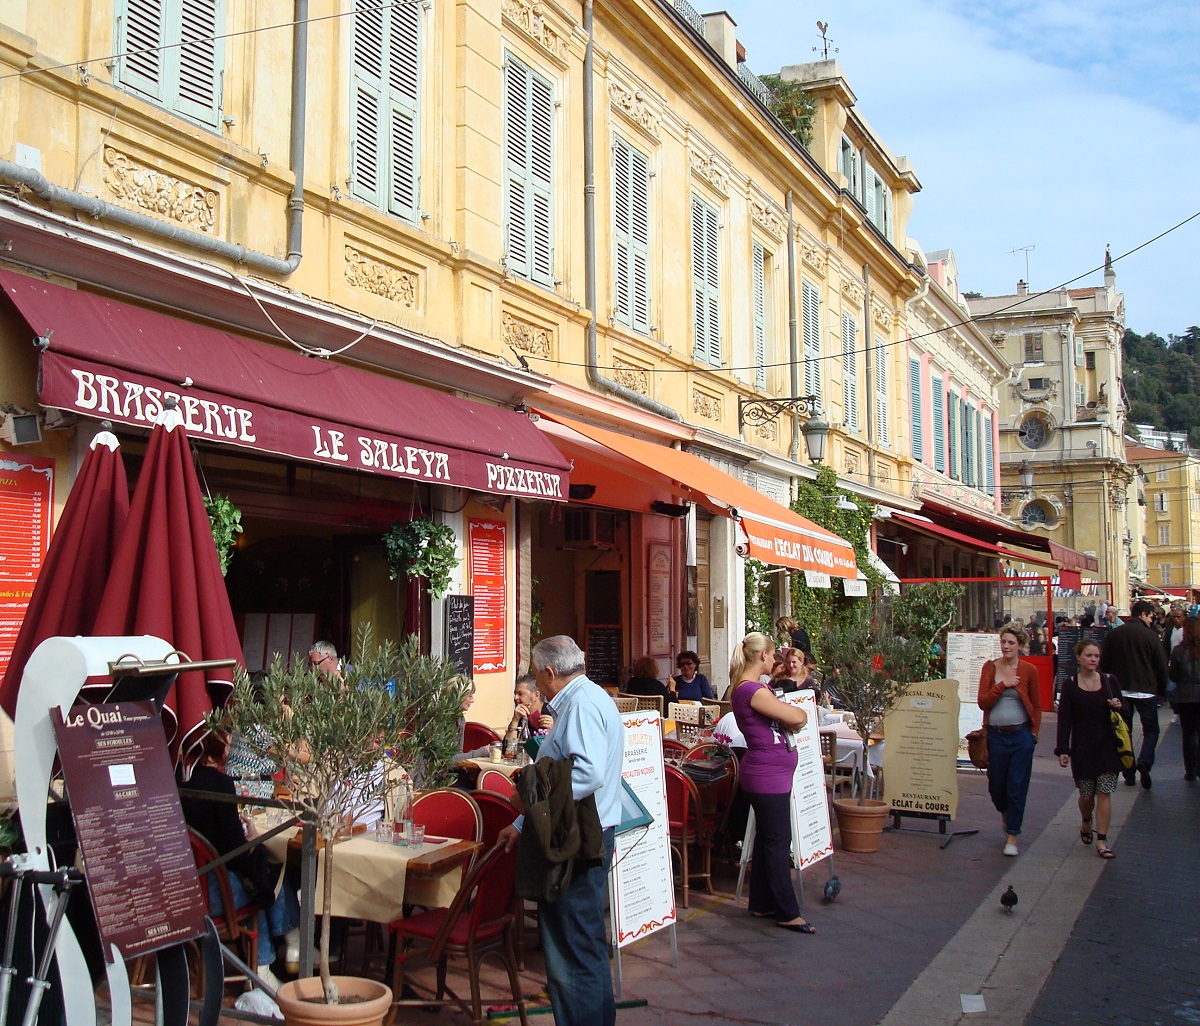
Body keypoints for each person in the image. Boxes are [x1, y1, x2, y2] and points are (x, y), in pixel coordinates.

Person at [499, 636, 624, 1026]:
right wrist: (523, 823)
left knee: (572, 949)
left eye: (537, 675)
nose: (536, 683)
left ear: (550, 673)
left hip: (577, 837)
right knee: (582, 945)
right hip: (579, 830)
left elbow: (587, 772)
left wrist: (532, 808)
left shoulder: (582, 704)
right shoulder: (584, 699)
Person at [180, 732, 300, 989]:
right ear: (217, 745)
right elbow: (234, 850)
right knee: (266, 876)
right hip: (213, 894)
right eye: (227, 738)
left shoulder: (178, 783)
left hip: (183, 892)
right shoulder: (221, 785)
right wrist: (254, 841)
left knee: (259, 875)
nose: (231, 742)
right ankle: (282, 949)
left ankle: (271, 959)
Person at [729, 631, 813, 933]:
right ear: (762, 655)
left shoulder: (748, 687)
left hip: (767, 773)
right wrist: (799, 713)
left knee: (767, 839)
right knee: (779, 841)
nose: (776, 658)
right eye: (773, 653)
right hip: (768, 776)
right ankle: (786, 910)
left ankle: (762, 902)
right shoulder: (754, 690)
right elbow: (797, 717)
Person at [1055, 640, 1126, 859]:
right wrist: (1063, 749)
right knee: (1086, 795)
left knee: (1104, 792)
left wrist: (1118, 705)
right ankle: (1086, 821)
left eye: (1096, 656)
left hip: (1107, 746)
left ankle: (1102, 840)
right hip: (1083, 747)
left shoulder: (1109, 681)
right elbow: (1065, 719)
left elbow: (1125, 712)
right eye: (1088, 655)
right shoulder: (1070, 685)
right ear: (1078, 657)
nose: (1093, 659)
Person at [978, 622, 1041, 857]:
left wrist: (1034, 733)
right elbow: (983, 701)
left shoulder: (1029, 671)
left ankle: (1012, 834)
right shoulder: (990, 668)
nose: (1006, 646)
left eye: (1011, 643)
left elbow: (1036, 704)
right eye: (1003, 641)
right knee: (997, 786)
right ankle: (1007, 817)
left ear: (1020, 645)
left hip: (1021, 735)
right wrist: (1002, 685)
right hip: (996, 735)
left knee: (1016, 785)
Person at [1100, 599, 1169, 789]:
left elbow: (1104, 664)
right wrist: (1162, 691)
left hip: (1121, 690)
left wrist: (1109, 689)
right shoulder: (1151, 636)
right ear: (1143, 615)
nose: (1151, 619)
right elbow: (1161, 666)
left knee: (1124, 731)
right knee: (1151, 730)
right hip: (1146, 691)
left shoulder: (1114, 634)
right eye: (1150, 616)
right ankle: (1145, 761)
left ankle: (1128, 772)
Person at [1168, 615, 1200, 782]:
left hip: (1185, 697)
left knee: (1188, 734)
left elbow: (1173, 676)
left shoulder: (1179, 651)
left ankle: (1190, 770)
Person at [507, 673, 554, 740]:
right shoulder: (520, 717)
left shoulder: (553, 713)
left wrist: (555, 729)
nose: (515, 698)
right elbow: (508, 746)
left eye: (520, 694)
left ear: (536, 695)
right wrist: (515, 721)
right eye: (515, 694)